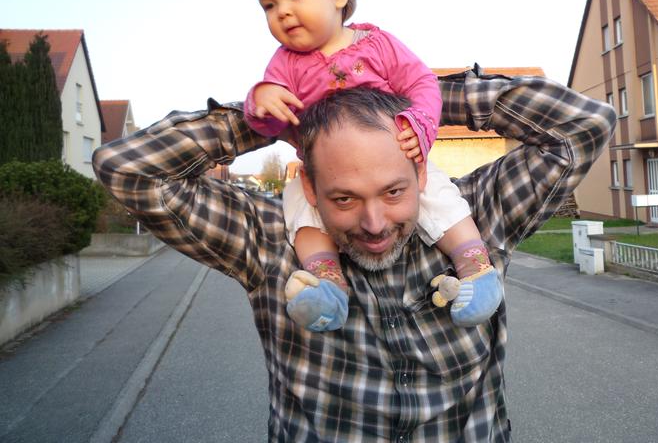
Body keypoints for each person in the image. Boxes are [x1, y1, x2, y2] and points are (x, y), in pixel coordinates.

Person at [93, 69, 616, 441]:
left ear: (421, 174)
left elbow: (584, 124)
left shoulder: (478, 213)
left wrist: (417, 95)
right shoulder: (270, 238)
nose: (374, 223)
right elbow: (126, 169)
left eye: (394, 192)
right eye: (344, 198)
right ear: (310, 189)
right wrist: (272, 115)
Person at [242, 0, 500, 332]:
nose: (282, 12)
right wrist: (261, 101)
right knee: (300, 209)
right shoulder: (283, 65)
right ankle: (328, 283)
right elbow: (272, 122)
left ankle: (475, 267)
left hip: (396, 154)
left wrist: (421, 123)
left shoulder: (376, 44)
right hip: (326, 176)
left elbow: (421, 83)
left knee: (438, 196)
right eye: (268, 5)